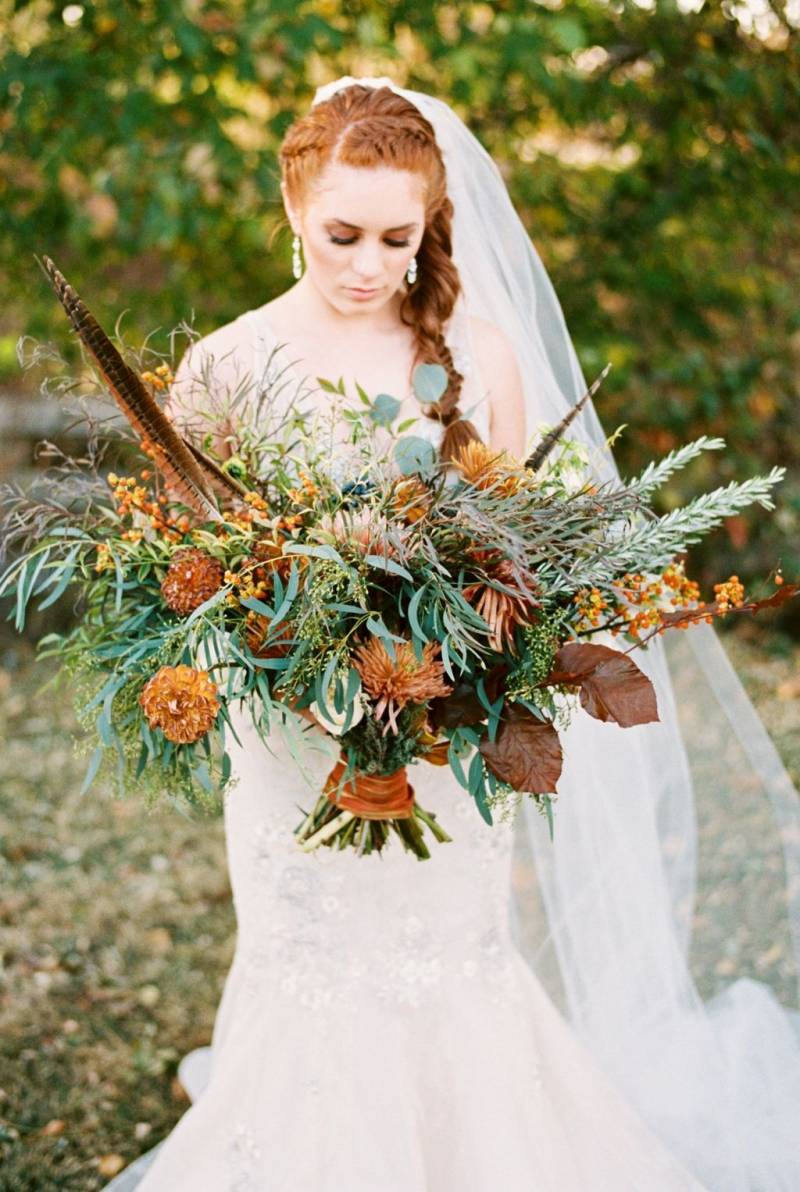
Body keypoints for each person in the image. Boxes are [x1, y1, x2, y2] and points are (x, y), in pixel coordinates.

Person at [107, 78, 800, 1191]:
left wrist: (454, 680)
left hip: (443, 732)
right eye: (341, 233)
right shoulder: (224, 366)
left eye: (397, 236)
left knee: (445, 953)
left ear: (432, 225)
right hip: (290, 742)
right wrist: (297, 673)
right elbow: (187, 580)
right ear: (290, 205)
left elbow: (513, 564)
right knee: (311, 953)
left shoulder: (476, 354)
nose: (367, 265)